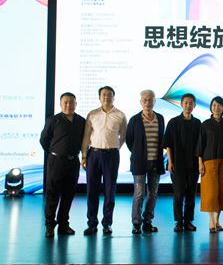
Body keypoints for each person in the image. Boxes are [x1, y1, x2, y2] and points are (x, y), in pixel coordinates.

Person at [81, 86, 127, 235]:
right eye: (103, 94)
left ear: (114, 97)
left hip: (111, 156)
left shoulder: (120, 115)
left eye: (109, 94)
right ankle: (92, 223)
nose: (106, 97)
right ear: (99, 97)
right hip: (93, 155)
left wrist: (113, 148)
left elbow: (123, 136)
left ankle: (107, 224)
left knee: (109, 190)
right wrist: (84, 156)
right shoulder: (92, 114)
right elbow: (86, 136)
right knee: (92, 191)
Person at [40, 92, 86, 237]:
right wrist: (54, 152)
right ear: (60, 104)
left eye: (71, 102)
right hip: (56, 162)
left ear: (76, 104)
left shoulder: (81, 121)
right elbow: (44, 140)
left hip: (73, 162)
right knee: (52, 194)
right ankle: (49, 225)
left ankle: (63, 224)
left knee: (68, 195)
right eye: (65, 102)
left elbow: (84, 140)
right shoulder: (53, 120)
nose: (68, 105)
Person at [125, 90, 165, 234]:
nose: (148, 102)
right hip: (139, 163)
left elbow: (162, 138)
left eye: (150, 100)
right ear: (141, 102)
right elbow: (129, 140)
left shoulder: (160, 118)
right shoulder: (135, 120)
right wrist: (138, 153)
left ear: (154, 101)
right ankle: (136, 223)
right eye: (145, 100)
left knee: (153, 193)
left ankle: (148, 221)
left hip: (156, 162)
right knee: (139, 193)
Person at [164, 93, 202, 232]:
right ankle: (179, 222)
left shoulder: (197, 123)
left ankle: (188, 221)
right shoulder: (173, 122)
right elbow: (168, 144)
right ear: (181, 104)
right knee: (178, 195)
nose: (188, 105)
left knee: (191, 195)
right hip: (177, 164)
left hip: (193, 165)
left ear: (194, 105)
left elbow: (200, 146)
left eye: (191, 103)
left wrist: (200, 164)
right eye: (185, 103)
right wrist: (170, 162)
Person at [197, 96, 223, 233]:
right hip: (209, 162)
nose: (216, 108)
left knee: (222, 193)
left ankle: (217, 220)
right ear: (211, 107)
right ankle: (211, 222)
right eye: (214, 105)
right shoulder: (205, 124)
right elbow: (200, 145)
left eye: (219, 105)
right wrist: (200, 163)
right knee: (210, 193)